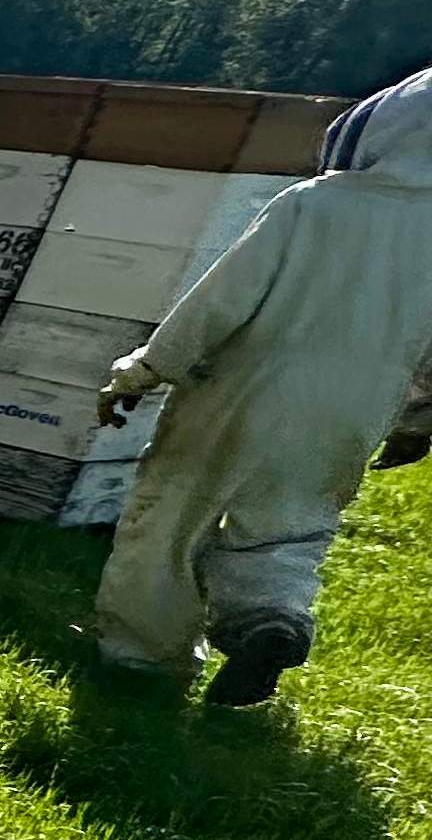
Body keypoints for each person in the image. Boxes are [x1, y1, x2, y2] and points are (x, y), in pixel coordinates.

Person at [93, 64, 432, 704]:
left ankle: (142, 660)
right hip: (353, 412)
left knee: (172, 521)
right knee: (290, 529)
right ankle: (271, 620)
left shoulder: (311, 204)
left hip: (242, 389)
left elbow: (218, 303)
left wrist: (141, 370)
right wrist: (419, 423)